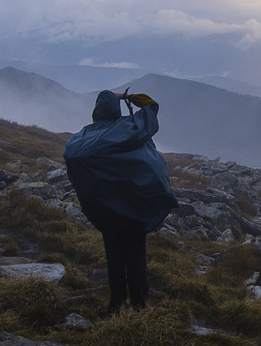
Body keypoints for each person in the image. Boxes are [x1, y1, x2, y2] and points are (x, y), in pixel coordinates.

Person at [64, 89, 179, 312]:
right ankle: (140, 303)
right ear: (116, 111)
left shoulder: (82, 137)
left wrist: (109, 97)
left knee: (114, 255)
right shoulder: (128, 130)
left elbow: (72, 156)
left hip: (105, 209)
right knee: (136, 255)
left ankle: (116, 302)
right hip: (133, 205)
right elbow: (151, 110)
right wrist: (130, 98)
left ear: (95, 112)